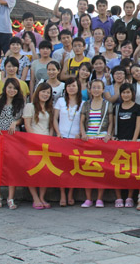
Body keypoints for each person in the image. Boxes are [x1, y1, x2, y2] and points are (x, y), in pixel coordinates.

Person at [0, 78, 25, 209]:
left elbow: (22, 119)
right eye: (9, 87)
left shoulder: (20, 103)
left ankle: (10, 197)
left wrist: (16, 122)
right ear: (5, 88)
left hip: (13, 138)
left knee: (11, 167)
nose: (12, 90)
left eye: (14, 88)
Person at [111, 83, 140, 209]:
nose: (126, 95)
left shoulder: (138, 108)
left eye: (128, 92)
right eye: (123, 93)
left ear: (132, 94)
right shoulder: (116, 108)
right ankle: (119, 197)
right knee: (117, 172)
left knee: (133, 171)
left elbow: (138, 126)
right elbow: (114, 125)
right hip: (119, 143)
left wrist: (133, 141)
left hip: (134, 142)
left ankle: (130, 197)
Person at [23, 83, 54, 209]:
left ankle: (42, 197)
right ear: (38, 92)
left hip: (46, 143)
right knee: (33, 171)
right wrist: (36, 140)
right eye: (43, 91)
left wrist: (50, 139)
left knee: (45, 171)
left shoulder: (49, 108)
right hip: (33, 143)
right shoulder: (30, 106)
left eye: (48, 93)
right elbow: (27, 125)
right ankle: (35, 198)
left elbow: (51, 126)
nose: (45, 94)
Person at [53, 77, 83, 206]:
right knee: (62, 168)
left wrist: (80, 133)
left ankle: (70, 193)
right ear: (66, 88)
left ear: (78, 88)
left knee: (73, 168)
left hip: (76, 140)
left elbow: (83, 121)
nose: (71, 88)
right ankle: (62, 194)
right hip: (62, 138)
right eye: (69, 86)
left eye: (74, 86)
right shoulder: (60, 101)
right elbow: (55, 118)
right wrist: (58, 133)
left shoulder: (83, 103)